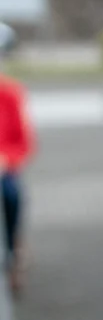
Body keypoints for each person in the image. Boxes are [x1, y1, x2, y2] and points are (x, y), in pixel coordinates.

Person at [0, 71, 33, 294]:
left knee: (11, 195)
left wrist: (5, 160)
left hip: (4, 168)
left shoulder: (10, 93)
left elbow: (23, 142)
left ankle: (13, 250)